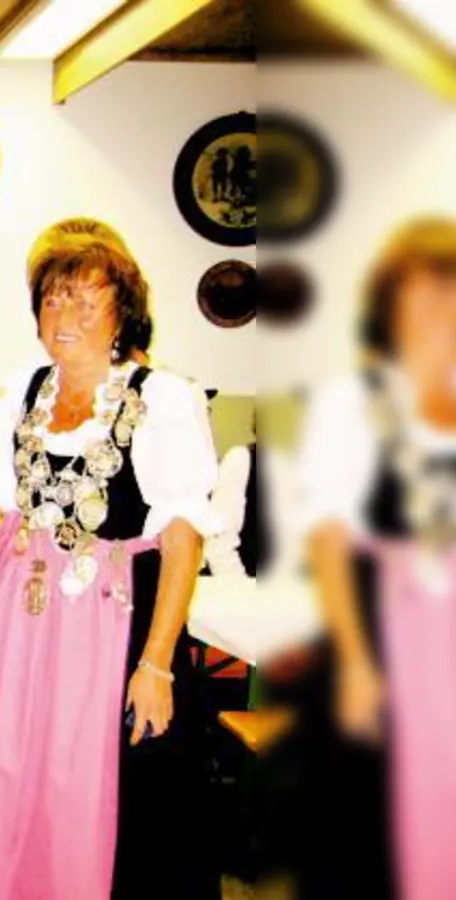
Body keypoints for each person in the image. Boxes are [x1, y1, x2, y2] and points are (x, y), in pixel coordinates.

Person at [0, 226, 221, 900]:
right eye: (53, 303)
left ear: (122, 314)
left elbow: (183, 539)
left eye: (86, 304)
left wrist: (156, 664)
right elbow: (5, 511)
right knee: (8, 768)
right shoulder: (23, 392)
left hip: (113, 625)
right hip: (23, 627)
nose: (65, 320)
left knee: (102, 784)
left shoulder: (162, 399)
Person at [286, 217, 456, 900]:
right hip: (394, 635)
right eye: (417, 299)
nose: (436, 315)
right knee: (384, 823)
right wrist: (355, 660)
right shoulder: (351, 403)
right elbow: (328, 537)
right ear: (389, 309)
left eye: (447, 298)